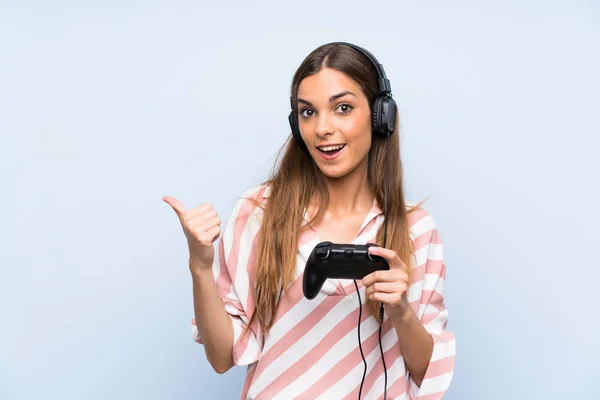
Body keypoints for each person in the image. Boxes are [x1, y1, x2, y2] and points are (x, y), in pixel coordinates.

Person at [163, 42, 456, 400]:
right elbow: (222, 357)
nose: (322, 129)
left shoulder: (416, 229)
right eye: (307, 113)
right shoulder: (258, 211)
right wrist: (200, 266)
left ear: (381, 115)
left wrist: (402, 312)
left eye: (343, 108)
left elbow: (427, 374)